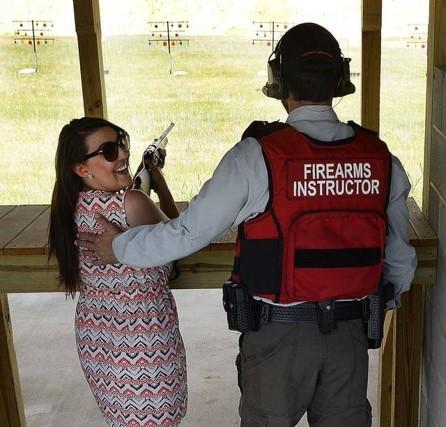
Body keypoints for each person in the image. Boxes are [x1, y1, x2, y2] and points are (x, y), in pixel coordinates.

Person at [78, 23, 417, 427]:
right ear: (340, 82)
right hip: (351, 336)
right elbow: (399, 262)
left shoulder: (257, 157)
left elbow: (189, 233)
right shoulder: (380, 159)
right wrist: (373, 306)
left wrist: (119, 247)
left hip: (279, 337)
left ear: (279, 82)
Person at [48, 117, 187, 427]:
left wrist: (145, 176)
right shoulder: (133, 202)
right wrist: (156, 178)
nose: (122, 154)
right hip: (146, 343)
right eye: (109, 151)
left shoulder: (69, 207)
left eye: (121, 144)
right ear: (81, 168)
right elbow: (182, 236)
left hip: (98, 340)